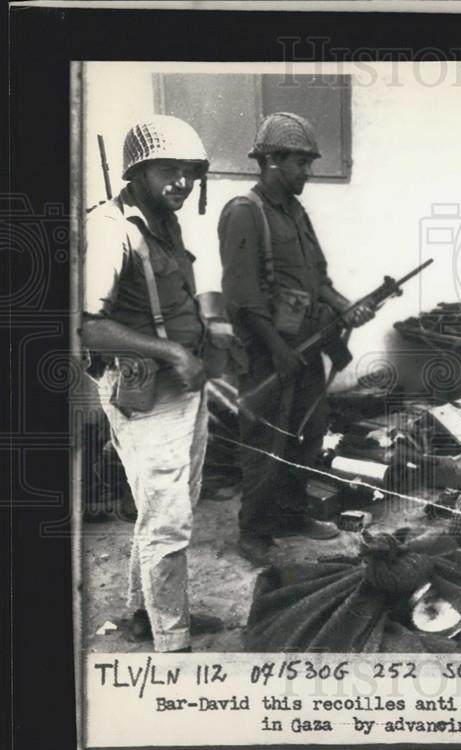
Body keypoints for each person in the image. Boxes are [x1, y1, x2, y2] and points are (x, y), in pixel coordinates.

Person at [82, 115, 224, 652]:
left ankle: (150, 615)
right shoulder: (110, 229)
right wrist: (169, 350)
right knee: (167, 522)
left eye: (190, 173)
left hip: (185, 386)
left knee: (170, 508)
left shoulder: (166, 222)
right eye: (169, 170)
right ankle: (173, 644)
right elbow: (87, 323)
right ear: (137, 171)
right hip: (146, 394)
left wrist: (204, 339)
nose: (182, 183)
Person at [218, 112, 374, 566]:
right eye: (301, 162)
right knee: (265, 441)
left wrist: (348, 307)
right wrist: (278, 350)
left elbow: (318, 278)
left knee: (308, 433)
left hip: (305, 347)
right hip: (269, 354)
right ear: (270, 160)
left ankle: (289, 514)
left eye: (309, 162)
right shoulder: (245, 213)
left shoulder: (296, 212)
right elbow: (242, 297)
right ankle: (254, 532)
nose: (308, 171)